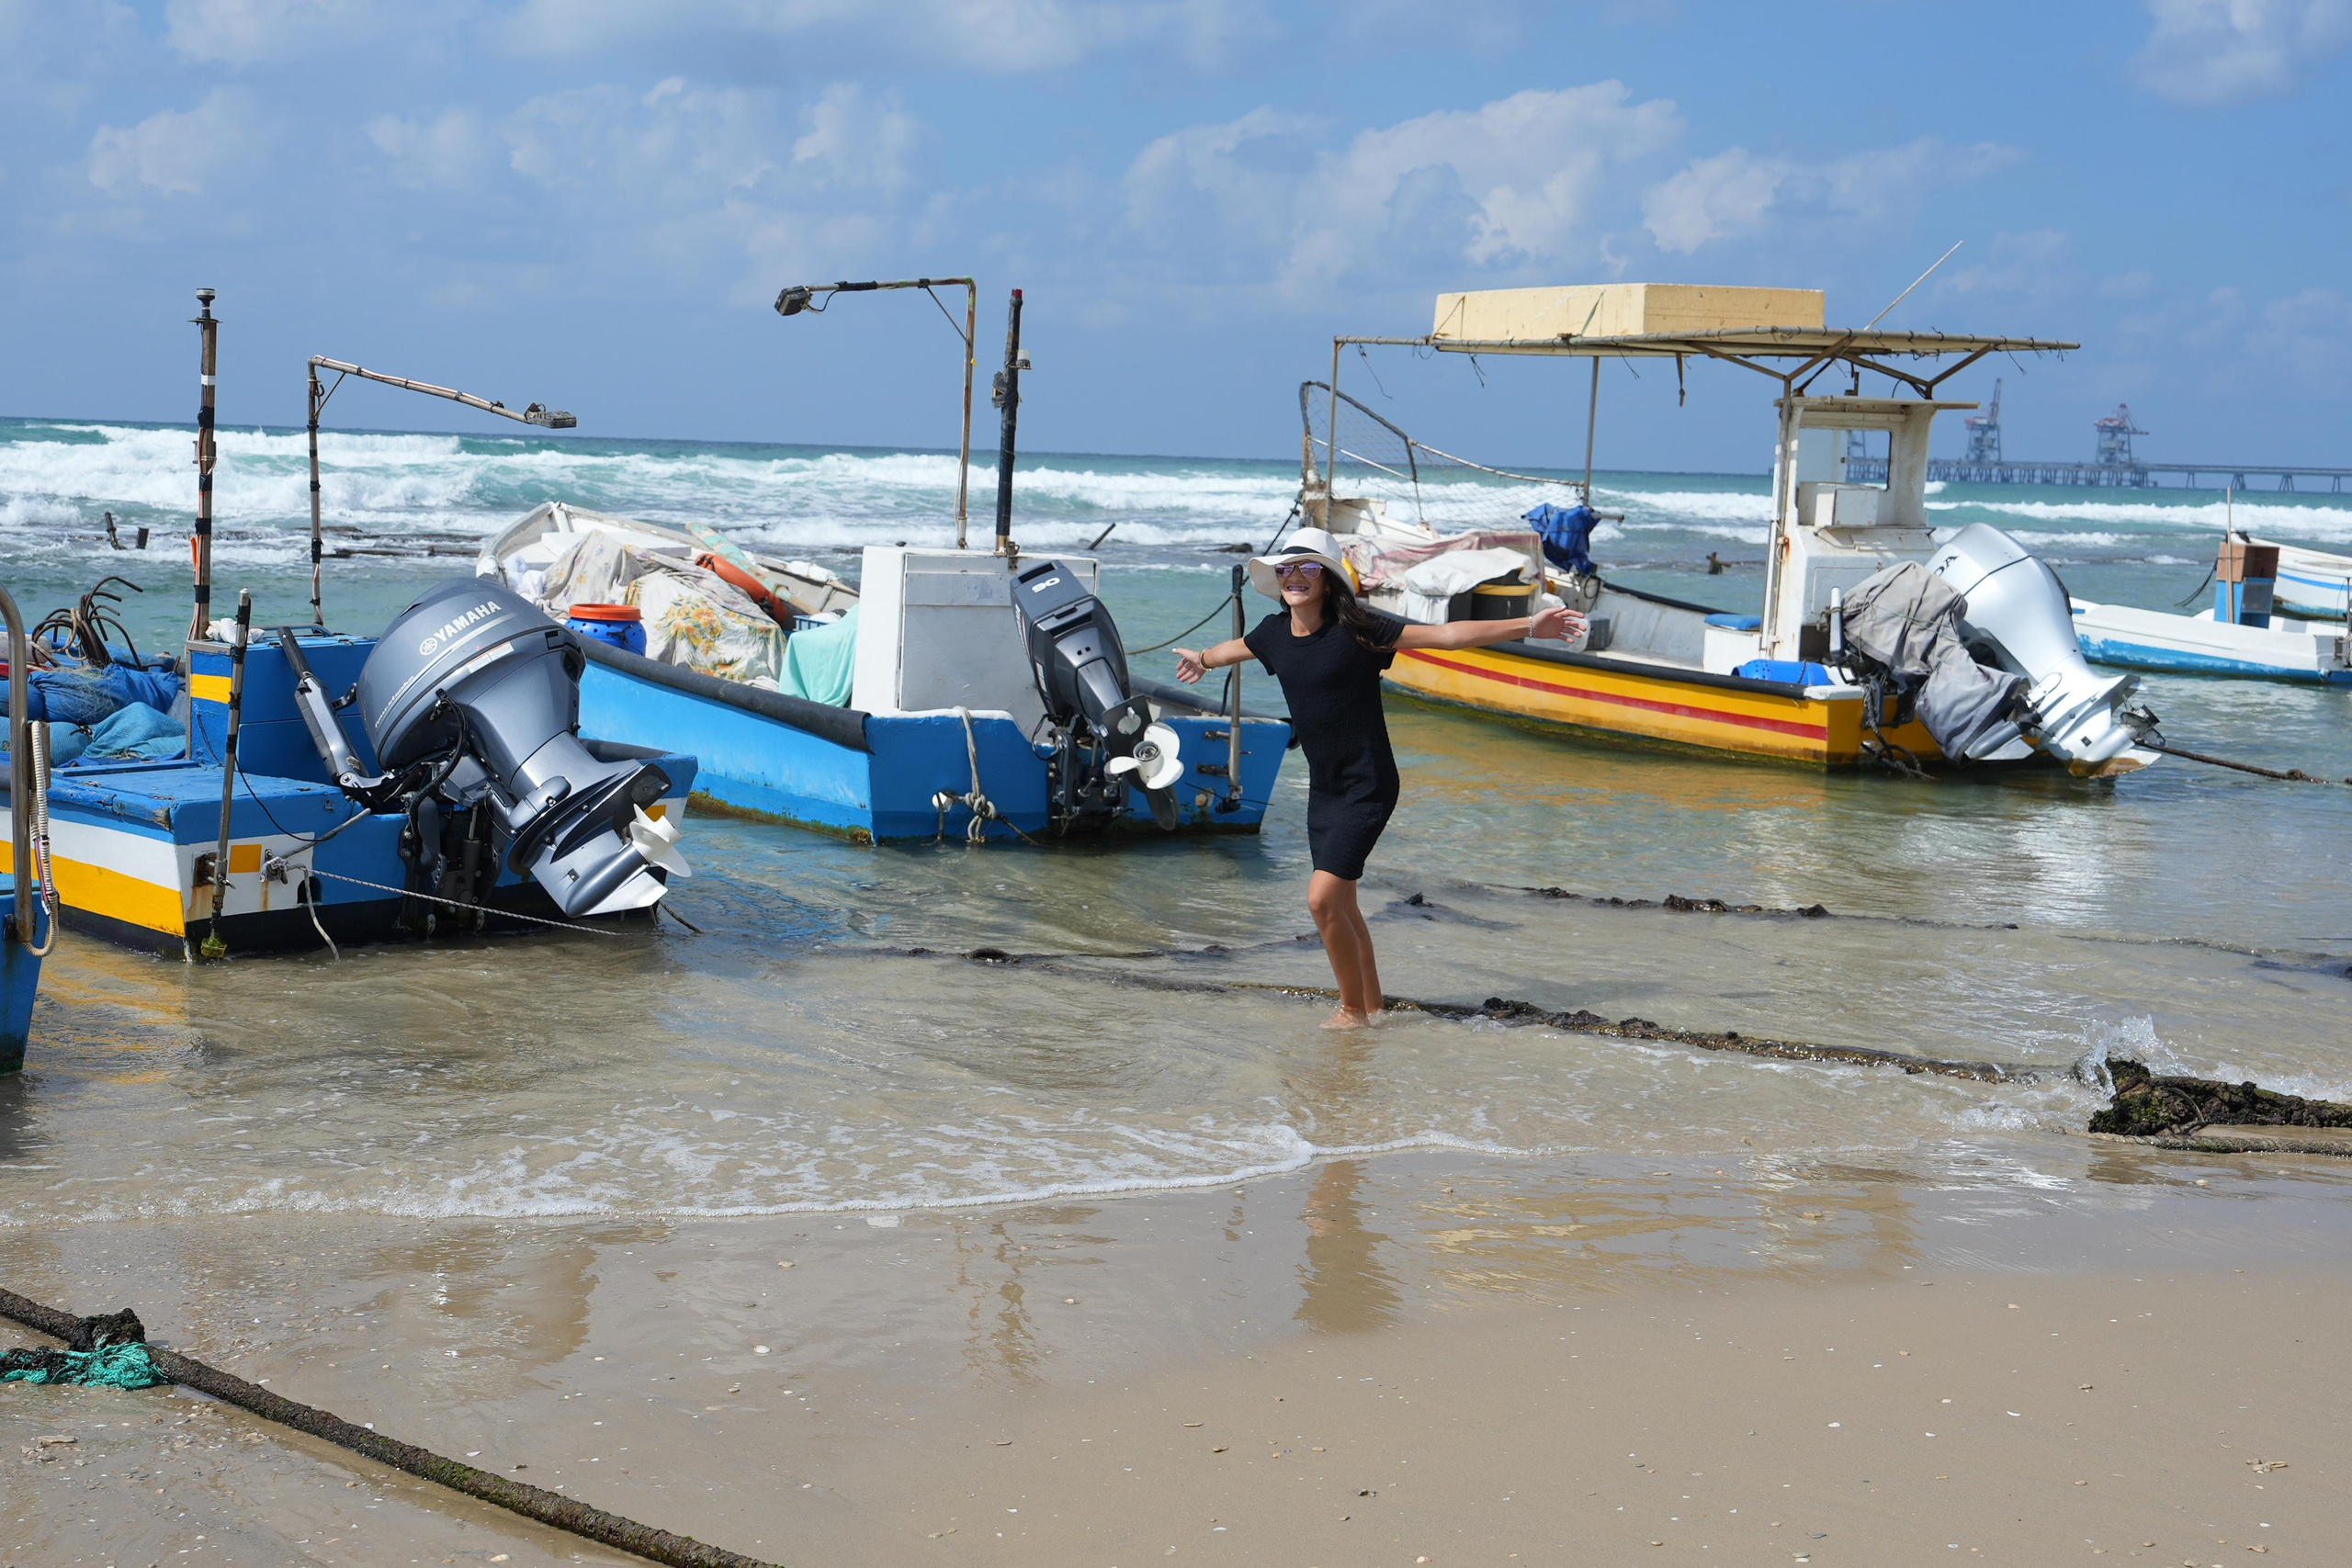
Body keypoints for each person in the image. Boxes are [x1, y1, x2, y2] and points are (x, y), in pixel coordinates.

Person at [1175, 527, 1584, 1029]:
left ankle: (1351, 1012)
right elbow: (1231, 649)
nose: (1294, 576)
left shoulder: (1360, 628)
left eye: (1306, 567)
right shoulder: (1273, 634)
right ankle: (1371, 1003)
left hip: (1368, 784)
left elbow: (1448, 637)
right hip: (1324, 788)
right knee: (1343, 903)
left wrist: (1528, 625)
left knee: (1321, 898)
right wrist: (1201, 659)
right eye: (1286, 568)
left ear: (1327, 578)